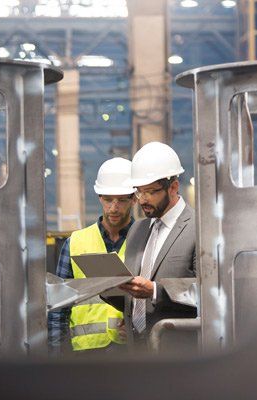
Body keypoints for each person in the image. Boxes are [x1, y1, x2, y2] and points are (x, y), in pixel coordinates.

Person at [48, 157, 136, 355]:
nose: (114, 208)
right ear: (99, 197)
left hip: (131, 352)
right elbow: (58, 306)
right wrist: (56, 356)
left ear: (134, 198)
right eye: (108, 199)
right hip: (84, 355)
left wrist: (137, 328)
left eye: (121, 200)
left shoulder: (147, 240)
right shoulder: (76, 242)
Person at [116, 142, 196, 344]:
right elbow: (133, 291)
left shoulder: (200, 228)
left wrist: (154, 291)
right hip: (136, 347)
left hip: (177, 350)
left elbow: (209, 292)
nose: (142, 200)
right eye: (139, 192)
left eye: (150, 191)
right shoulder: (137, 229)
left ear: (174, 187)